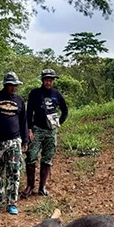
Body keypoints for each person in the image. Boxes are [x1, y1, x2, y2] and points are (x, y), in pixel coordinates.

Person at [0, 72, 28, 215]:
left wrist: (25, 140)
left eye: (16, 85)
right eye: (11, 85)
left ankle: (12, 202)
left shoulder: (20, 101)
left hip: (14, 141)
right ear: (5, 85)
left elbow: (23, 122)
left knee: (14, 171)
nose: (14, 88)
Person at [22, 69, 69, 197]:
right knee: (31, 156)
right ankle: (30, 186)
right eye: (46, 80)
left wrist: (59, 122)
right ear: (42, 80)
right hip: (37, 129)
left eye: (51, 80)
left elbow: (65, 110)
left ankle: (42, 187)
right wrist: (29, 128)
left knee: (47, 158)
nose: (48, 82)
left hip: (51, 131)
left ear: (53, 81)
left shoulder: (56, 94)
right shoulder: (35, 93)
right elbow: (29, 112)